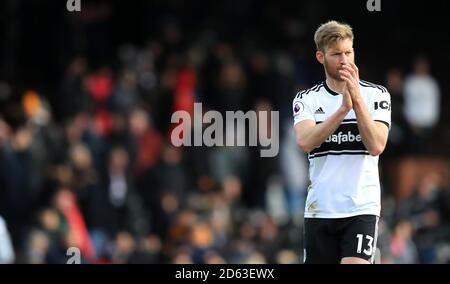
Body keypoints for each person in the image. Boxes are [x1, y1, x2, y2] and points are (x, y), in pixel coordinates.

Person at [292, 21, 391, 264]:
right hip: (320, 208)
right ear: (321, 56)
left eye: (348, 52)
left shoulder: (376, 94)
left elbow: (377, 145)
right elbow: (305, 142)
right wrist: (342, 109)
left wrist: (356, 102)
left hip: (361, 207)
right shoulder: (307, 99)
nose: (344, 60)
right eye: (336, 54)